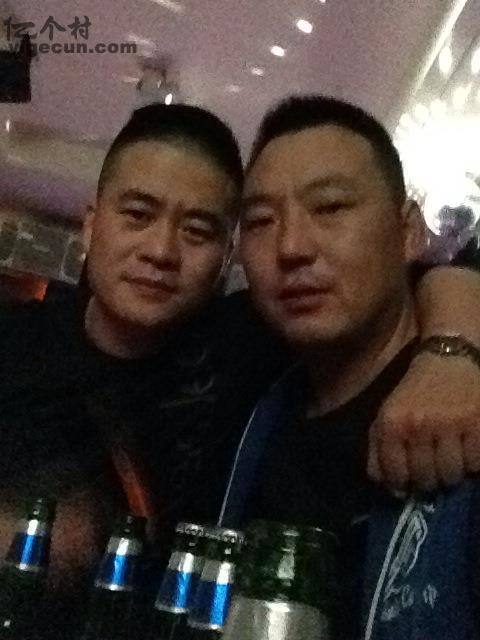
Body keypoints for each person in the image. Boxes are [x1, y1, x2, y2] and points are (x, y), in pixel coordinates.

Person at [0, 101, 479, 636]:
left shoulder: (244, 345)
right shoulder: (14, 340)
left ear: (226, 256)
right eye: (137, 215)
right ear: (91, 226)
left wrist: (451, 353)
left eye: (198, 230)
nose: (160, 250)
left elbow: (435, 274)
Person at [217, 95, 480, 639]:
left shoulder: (468, 409)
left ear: (409, 231)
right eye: (261, 221)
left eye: (331, 207)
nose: (291, 247)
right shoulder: (246, 384)